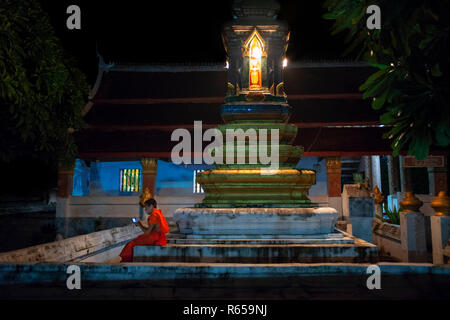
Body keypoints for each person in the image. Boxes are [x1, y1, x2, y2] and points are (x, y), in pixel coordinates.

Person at [117, 198, 169, 262]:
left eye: (146, 207)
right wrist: (140, 223)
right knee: (136, 240)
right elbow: (151, 229)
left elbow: (147, 232)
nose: (145, 210)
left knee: (131, 243)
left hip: (155, 238)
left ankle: (126, 260)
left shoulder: (153, 215)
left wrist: (139, 224)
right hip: (159, 237)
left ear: (151, 206)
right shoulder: (157, 213)